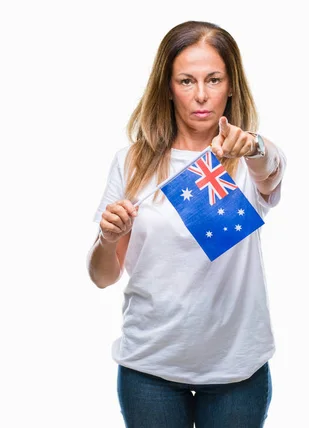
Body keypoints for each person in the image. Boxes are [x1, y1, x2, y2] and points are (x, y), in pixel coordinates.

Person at [86, 20, 286, 428]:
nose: (200, 95)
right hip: (151, 366)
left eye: (213, 80)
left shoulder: (249, 158)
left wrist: (253, 145)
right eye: (186, 80)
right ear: (168, 86)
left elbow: (271, 167)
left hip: (237, 369)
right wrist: (108, 238)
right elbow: (102, 277)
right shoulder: (132, 162)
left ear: (231, 85)